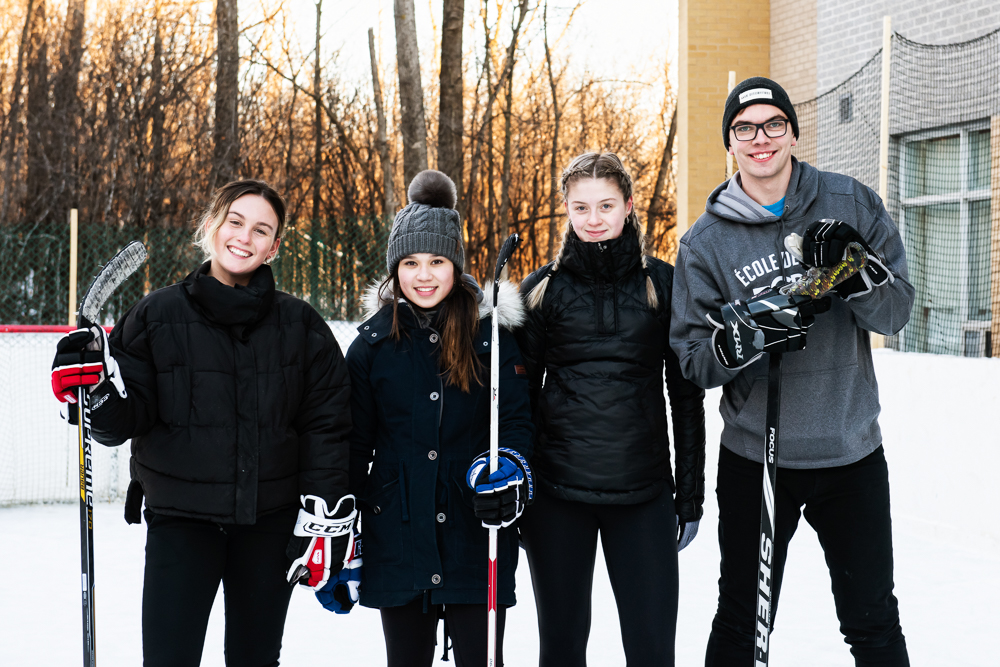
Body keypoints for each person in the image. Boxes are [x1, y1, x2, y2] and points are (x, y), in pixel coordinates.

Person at [50, 179, 355, 666]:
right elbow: (120, 421)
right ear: (212, 224)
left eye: (261, 230)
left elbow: (328, 425)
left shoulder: (300, 325)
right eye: (235, 222)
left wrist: (324, 512)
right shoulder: (156, 314)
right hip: (180, 522)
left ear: (275, 247)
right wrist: (93, 392)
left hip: (269, 525)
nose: (244, 237)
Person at [669, 76, 914, 666]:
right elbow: (693, 360)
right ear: (730, 141)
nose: (761, 138)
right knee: (741, 621)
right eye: (745, 128)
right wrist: (746, 336)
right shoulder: (704, 243)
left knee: (873, 620)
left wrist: (857, 274)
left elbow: (897, 312)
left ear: (793, 132)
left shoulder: (849, 203)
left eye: (773, 124)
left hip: (849, 451)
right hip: (758, 458)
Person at [516, 151, 707, 666]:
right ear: (567, 211)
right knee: (560, 648)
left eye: (605, 205)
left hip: (642, 496)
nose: (593, 219)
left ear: (627, 206)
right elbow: (519, 404)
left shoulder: (664, 286)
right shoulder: (540, 293)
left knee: (650, 651)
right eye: (581, 208)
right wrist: (517, 492)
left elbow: (686, 400)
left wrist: (688, 496)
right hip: (557, 498)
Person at [343, 169, 534, 667]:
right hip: (398, 533)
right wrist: (341, 527)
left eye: (436, 261)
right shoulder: (371, 346)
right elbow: (353, 444)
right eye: (409, 262)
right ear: (394, 268)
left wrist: (508, 474)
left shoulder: (491, 337)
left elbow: (515, 422)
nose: (423, 275)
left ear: (456, 265)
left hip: (477, 531)